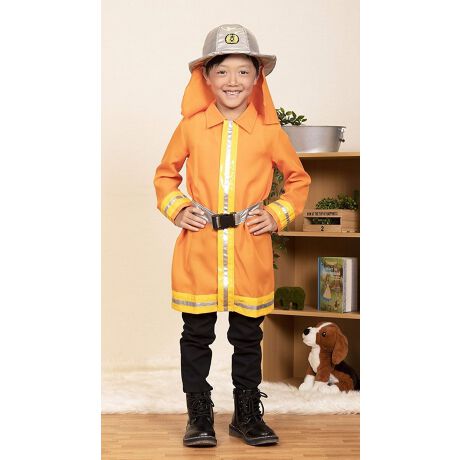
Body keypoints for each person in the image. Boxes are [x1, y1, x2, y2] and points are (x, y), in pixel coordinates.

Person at [153, 24, 311, 447]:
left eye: (243, 71)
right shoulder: (190, 127)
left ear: (258, 78)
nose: (233, 81)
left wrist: (276, 214)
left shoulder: (269, 131)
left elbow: (298, 180)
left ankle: (246, 414)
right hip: (200, 247)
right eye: (222, 71)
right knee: (196, 334)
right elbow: (165, 176)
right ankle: (199, 414)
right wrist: (178, 207)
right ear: (206, 77)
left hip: (249, 248)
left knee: (247, 335)